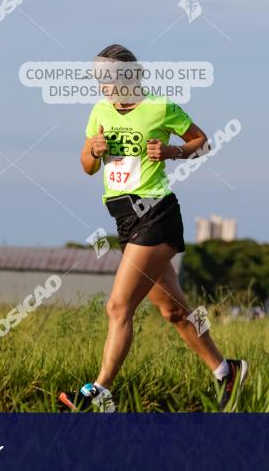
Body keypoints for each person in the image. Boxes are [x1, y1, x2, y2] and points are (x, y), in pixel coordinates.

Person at [59, 44, 247, 412]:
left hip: (155, 213)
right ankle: (228, 372)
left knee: (117, 307)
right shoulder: (99, 112)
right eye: (99, 80)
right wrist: (93, 152)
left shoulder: (160, 107)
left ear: (129, 76)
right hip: (124, 218)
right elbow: (86, 166)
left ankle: (98, 392)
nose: (103, 86)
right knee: (174, 312)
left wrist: (174, 153)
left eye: (109, 78)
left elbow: (201, 141)